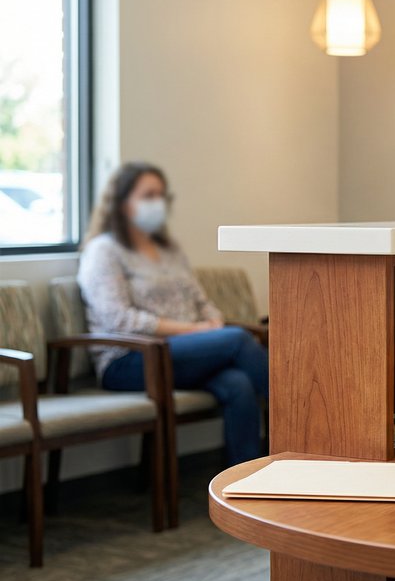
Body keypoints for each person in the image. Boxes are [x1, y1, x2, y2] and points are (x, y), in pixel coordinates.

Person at [77, 161, 268, 466]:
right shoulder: (104, 250)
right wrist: (197, 331)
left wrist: (213, 320)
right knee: (237, 339)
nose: (157, 203)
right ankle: (304, 421)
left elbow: (199, 299)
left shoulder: (169, 250)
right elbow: (119, 319)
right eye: (148, 195)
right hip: (128, 359)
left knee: (238, 385)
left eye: (161, 195)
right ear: (123, 201)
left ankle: (245, 483)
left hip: (181, 355)